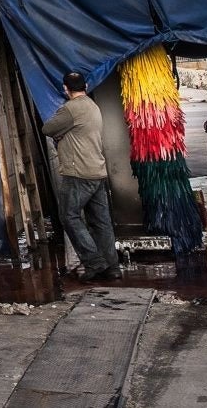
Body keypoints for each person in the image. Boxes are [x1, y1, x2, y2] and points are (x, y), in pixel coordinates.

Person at [41, 71, 119, 281]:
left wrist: (61, 134)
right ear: (85, 86)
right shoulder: (93, 106)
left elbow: (47, 128)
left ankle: (94, 262)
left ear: (65, 88)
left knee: (69, 216)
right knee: (101, 221)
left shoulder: (70, 109)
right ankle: (112, 267)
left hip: (78, 173)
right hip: (97, 171)